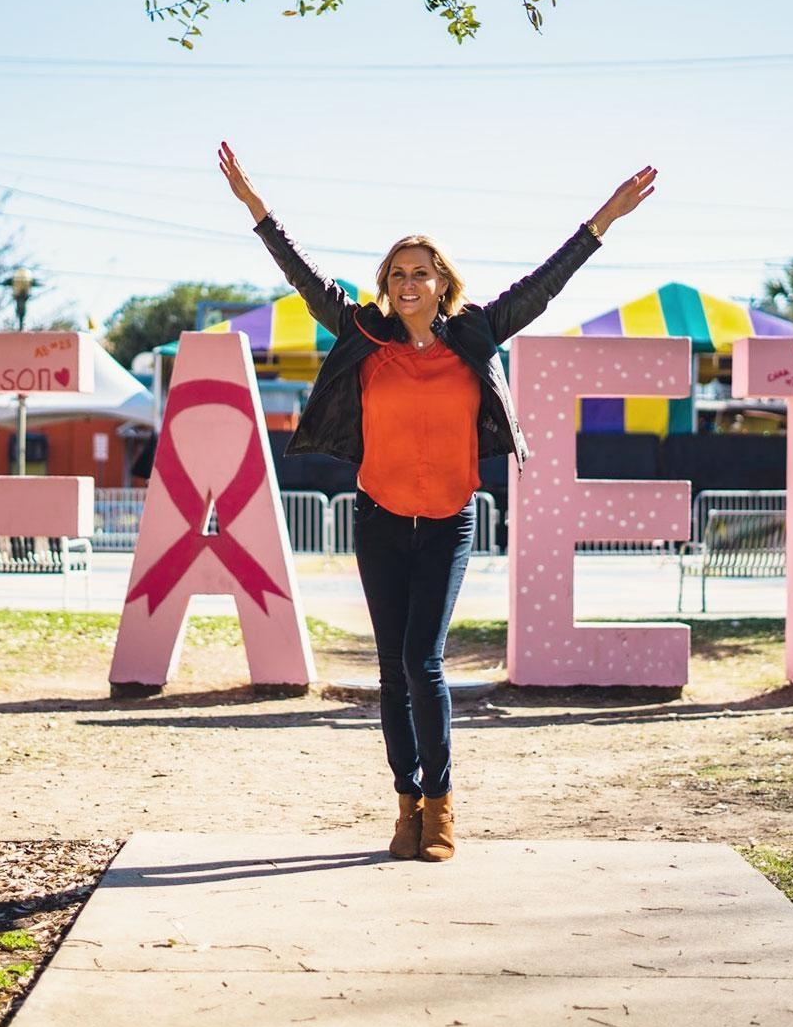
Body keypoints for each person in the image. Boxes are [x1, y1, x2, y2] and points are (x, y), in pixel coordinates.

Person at [219, 142, 656, 861]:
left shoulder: (475, 333)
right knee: (393, 669)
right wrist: (256, 207)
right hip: (379, 519)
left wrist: (604, 218)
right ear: (387, 285)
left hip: (449, 522)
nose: (409, 281)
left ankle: (443, 804)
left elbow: (544, 285)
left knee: (423, 661)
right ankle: (406, 802)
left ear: (442, 280)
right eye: (397, 273)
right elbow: (303, 277)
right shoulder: (363, 332)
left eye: (421, 271)